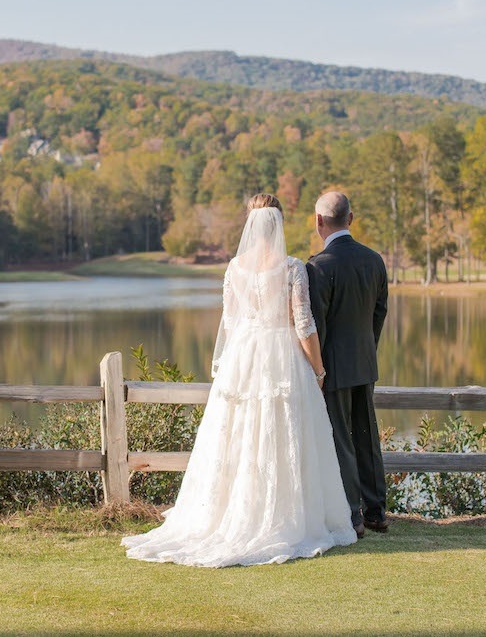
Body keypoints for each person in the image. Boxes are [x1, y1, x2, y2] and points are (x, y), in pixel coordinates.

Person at [121, 193, 357, 567]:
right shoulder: (292, 267)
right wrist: (318, 370)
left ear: (250, 224)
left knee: (240, 433)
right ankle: (281, 515)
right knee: (281, 433)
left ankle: (233, 511)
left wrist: (236, 361)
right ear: (278, 223)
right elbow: (303, 325)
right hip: (281, 357)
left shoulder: (235, 268)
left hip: (244, 357)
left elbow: (230, 323)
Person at [305, 190, 389, 536]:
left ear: (318, 221)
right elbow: (379, 312)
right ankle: (377, 510)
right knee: (367, 437)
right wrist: (367, 348)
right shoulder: (375, 260)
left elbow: (317, 325)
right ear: (350, 219)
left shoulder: (318, 266)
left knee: (341, 438)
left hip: (334, 369)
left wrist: (317, 369)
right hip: (365, 363)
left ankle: (352, 515)